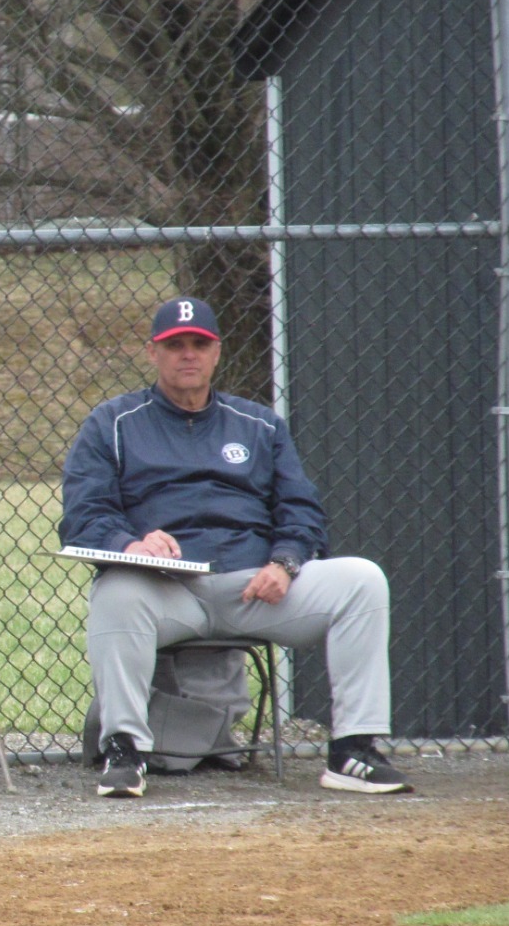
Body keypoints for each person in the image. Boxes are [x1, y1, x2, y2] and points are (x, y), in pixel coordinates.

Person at [60, 296, 406, 799]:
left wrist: (285, 563)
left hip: (254, 588)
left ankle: (353, 749)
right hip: (167, 592)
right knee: (115, 590)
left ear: (217, 352)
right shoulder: (113, 423)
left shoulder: (259, 426)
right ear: (153, 354)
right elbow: (82, 515)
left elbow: (302, 511)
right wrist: (132, 542)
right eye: (174, 345)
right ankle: (125, 751)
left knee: (362, 579)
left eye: (198, 344)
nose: (187, 355)